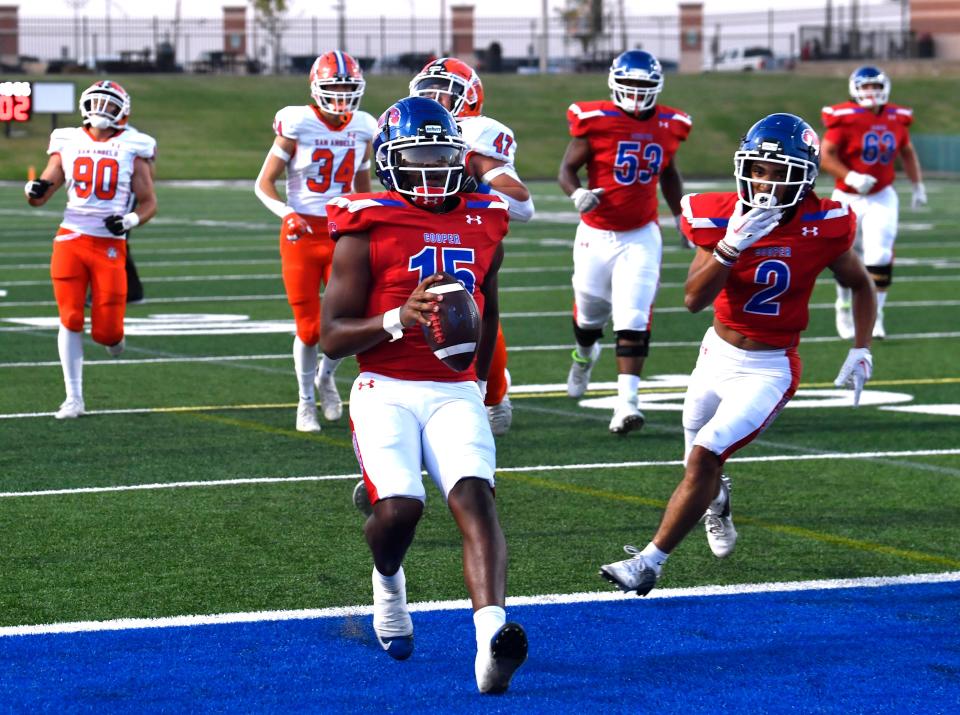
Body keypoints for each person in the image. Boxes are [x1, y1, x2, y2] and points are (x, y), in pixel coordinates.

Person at [599, 113, 876, 596]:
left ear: (805, 178)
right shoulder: (716, 214)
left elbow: (860, 284)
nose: (764, 183)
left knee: (705, 455)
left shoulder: (824, 223)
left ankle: (649, 563)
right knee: (699, 462)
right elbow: (692, 300)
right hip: (715, 355)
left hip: (770, 367)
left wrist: (861, 346)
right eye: (758, 169)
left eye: (779, 172)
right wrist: (729, 247)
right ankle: (717, 501)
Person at [320, 96, 527, 694]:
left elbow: (489, 310)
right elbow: (331, 336)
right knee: (401, 506)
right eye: (419, 157)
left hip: (454, 390)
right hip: (384, 386)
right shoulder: (367, 221)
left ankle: (492, 639)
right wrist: (397, 318)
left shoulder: (487, 216)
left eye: (443, 154)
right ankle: (388, 582)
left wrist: (486, 386)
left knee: (476, 498)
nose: (434, 168)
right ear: (390, 162)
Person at [558, 49, 691, 435]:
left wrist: (681, 216)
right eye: (629, 85)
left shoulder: (671, 123)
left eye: (643, 86)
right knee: (588, 316)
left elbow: (668, 173)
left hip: (641, 234)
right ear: (615, 84)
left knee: (632, 316)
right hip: (596, 232)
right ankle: (583, 357)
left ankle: (627, 404)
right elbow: (567, 168)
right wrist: (576, 194)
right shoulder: (595, 119)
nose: (635, 92)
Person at [410, 56, 536, 436]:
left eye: (444, 94)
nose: (435, 100)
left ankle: (493, 392)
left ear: (470, 99)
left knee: (477, 314)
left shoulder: (478, 133)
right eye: (427, 93)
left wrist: (472, 167)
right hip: (421, 228)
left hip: (469, 236)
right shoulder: (410, 124)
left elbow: (523, 206)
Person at [255, 50, 377, 432]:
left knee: (350, 319)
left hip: (344, 233)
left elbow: (362, 189)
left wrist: (373, 222)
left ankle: (326, 377)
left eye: (347, 88)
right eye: (334, 87)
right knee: (309, 329)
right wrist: (287, 213)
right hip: (303, 232)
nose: (341, 96)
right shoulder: (297, 122)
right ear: (316, 88)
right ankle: (305, 400)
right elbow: (263, 183)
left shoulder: (363, 126)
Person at [24, 80, 157, 419]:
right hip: (71, 237)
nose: (102, 110)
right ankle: (73, 398)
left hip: (109, 243)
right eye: (96, 103)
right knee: (69, 317)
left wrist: (128, 222)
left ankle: (114, 339)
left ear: (123, 111)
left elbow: (148, 203)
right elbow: (40, 196)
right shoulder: (67, 140)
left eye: (109, 105)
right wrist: (33, 188)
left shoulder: (134, 145)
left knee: (107, 332)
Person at [821, 65, 926, 340]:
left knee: (879, 255)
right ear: (855, 89)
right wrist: (851, 176)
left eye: (876, 86)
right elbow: (825, 155)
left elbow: (907, 152)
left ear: (885, 88)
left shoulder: (896, 117)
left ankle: (876, 314)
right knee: (844, 255)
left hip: (881, 194)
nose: (871, 92)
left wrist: (918, 185)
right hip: (847, 195)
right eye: (866, 86)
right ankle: (843, 305)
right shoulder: (843, 116)